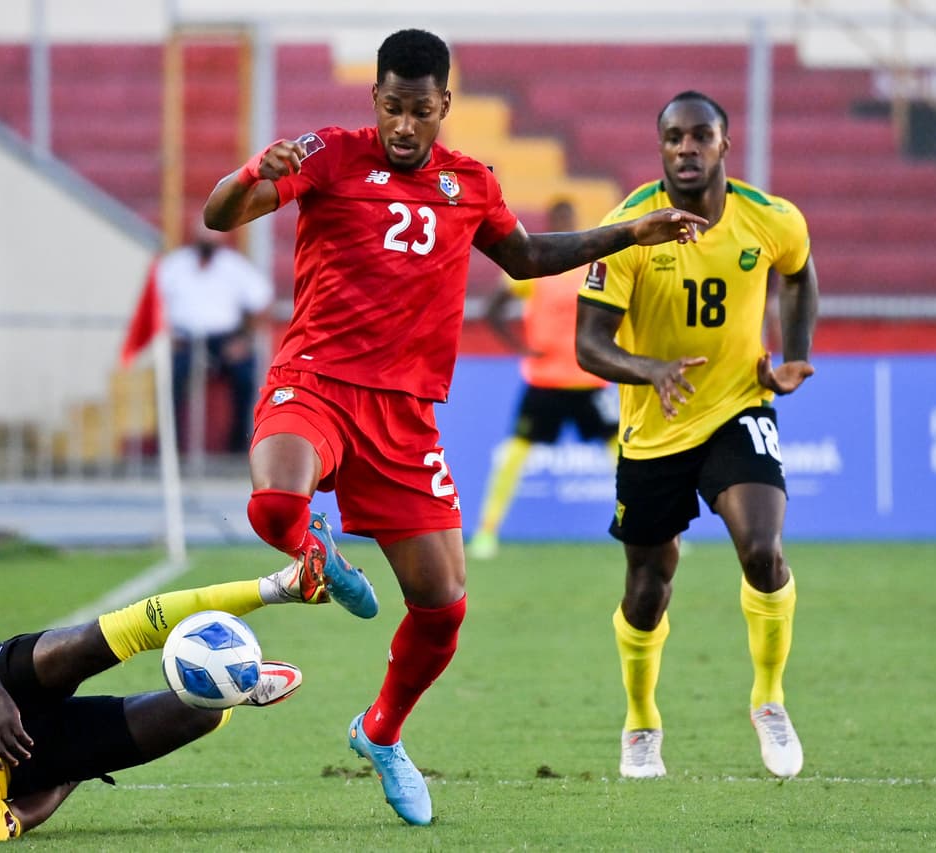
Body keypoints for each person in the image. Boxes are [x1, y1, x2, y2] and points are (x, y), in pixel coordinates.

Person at [202, 28, 706, 825]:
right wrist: (247, 176)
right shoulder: (329, 154)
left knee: (444, 609)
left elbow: (530, 256)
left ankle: (381, 731)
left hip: (404, 416)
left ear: (444, 105)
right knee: (274, 503)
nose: (404, 125)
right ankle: (315, 554)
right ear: (376, 100)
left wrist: (627, 232)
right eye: (392, 108)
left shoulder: (470, 183)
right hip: (317, 381)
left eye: (420, 110)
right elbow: (219, 214)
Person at [574, 90, 819, 780]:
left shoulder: (769, 219)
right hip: (654, 428)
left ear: (723, 146)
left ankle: (769, 700)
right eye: (674, 138)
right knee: (648, 587)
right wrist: (646, 367)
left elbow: (799, 272)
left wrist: (793, 350)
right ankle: (641, 720)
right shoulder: (628, 229)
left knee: (764, 551)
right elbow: (589, 345)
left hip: (738, 407)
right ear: (661, 149)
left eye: (700, 136)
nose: (687, 148)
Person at [0, 556, 352, 840]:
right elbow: (20, 816)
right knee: (195, 719)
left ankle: (280, 585)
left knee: (88, 643)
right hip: (30, 761)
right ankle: (231, 686)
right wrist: (67, 774)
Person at [467, 199, 619, 560]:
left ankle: (653, 524)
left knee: (625, 455)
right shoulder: (537, 265)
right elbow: (493, 307)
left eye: (569, 219)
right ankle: (487, 533)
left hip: (590, 378)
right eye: (559, 220)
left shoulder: (593, 268)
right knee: (514, 456)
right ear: (551, 223)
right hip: (545, 380)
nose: (565, 224)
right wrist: (520, 345)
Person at [156, 224, 274, 454]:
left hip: (224, 341)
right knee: (170, 380)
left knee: (245, 376)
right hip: (185, 340)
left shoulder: (234, 266)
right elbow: (155, 305)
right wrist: (167, 334)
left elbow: (262, 302)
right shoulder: (175, 265)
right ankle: (171, 448)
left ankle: (238, 444)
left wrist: (244, 340)